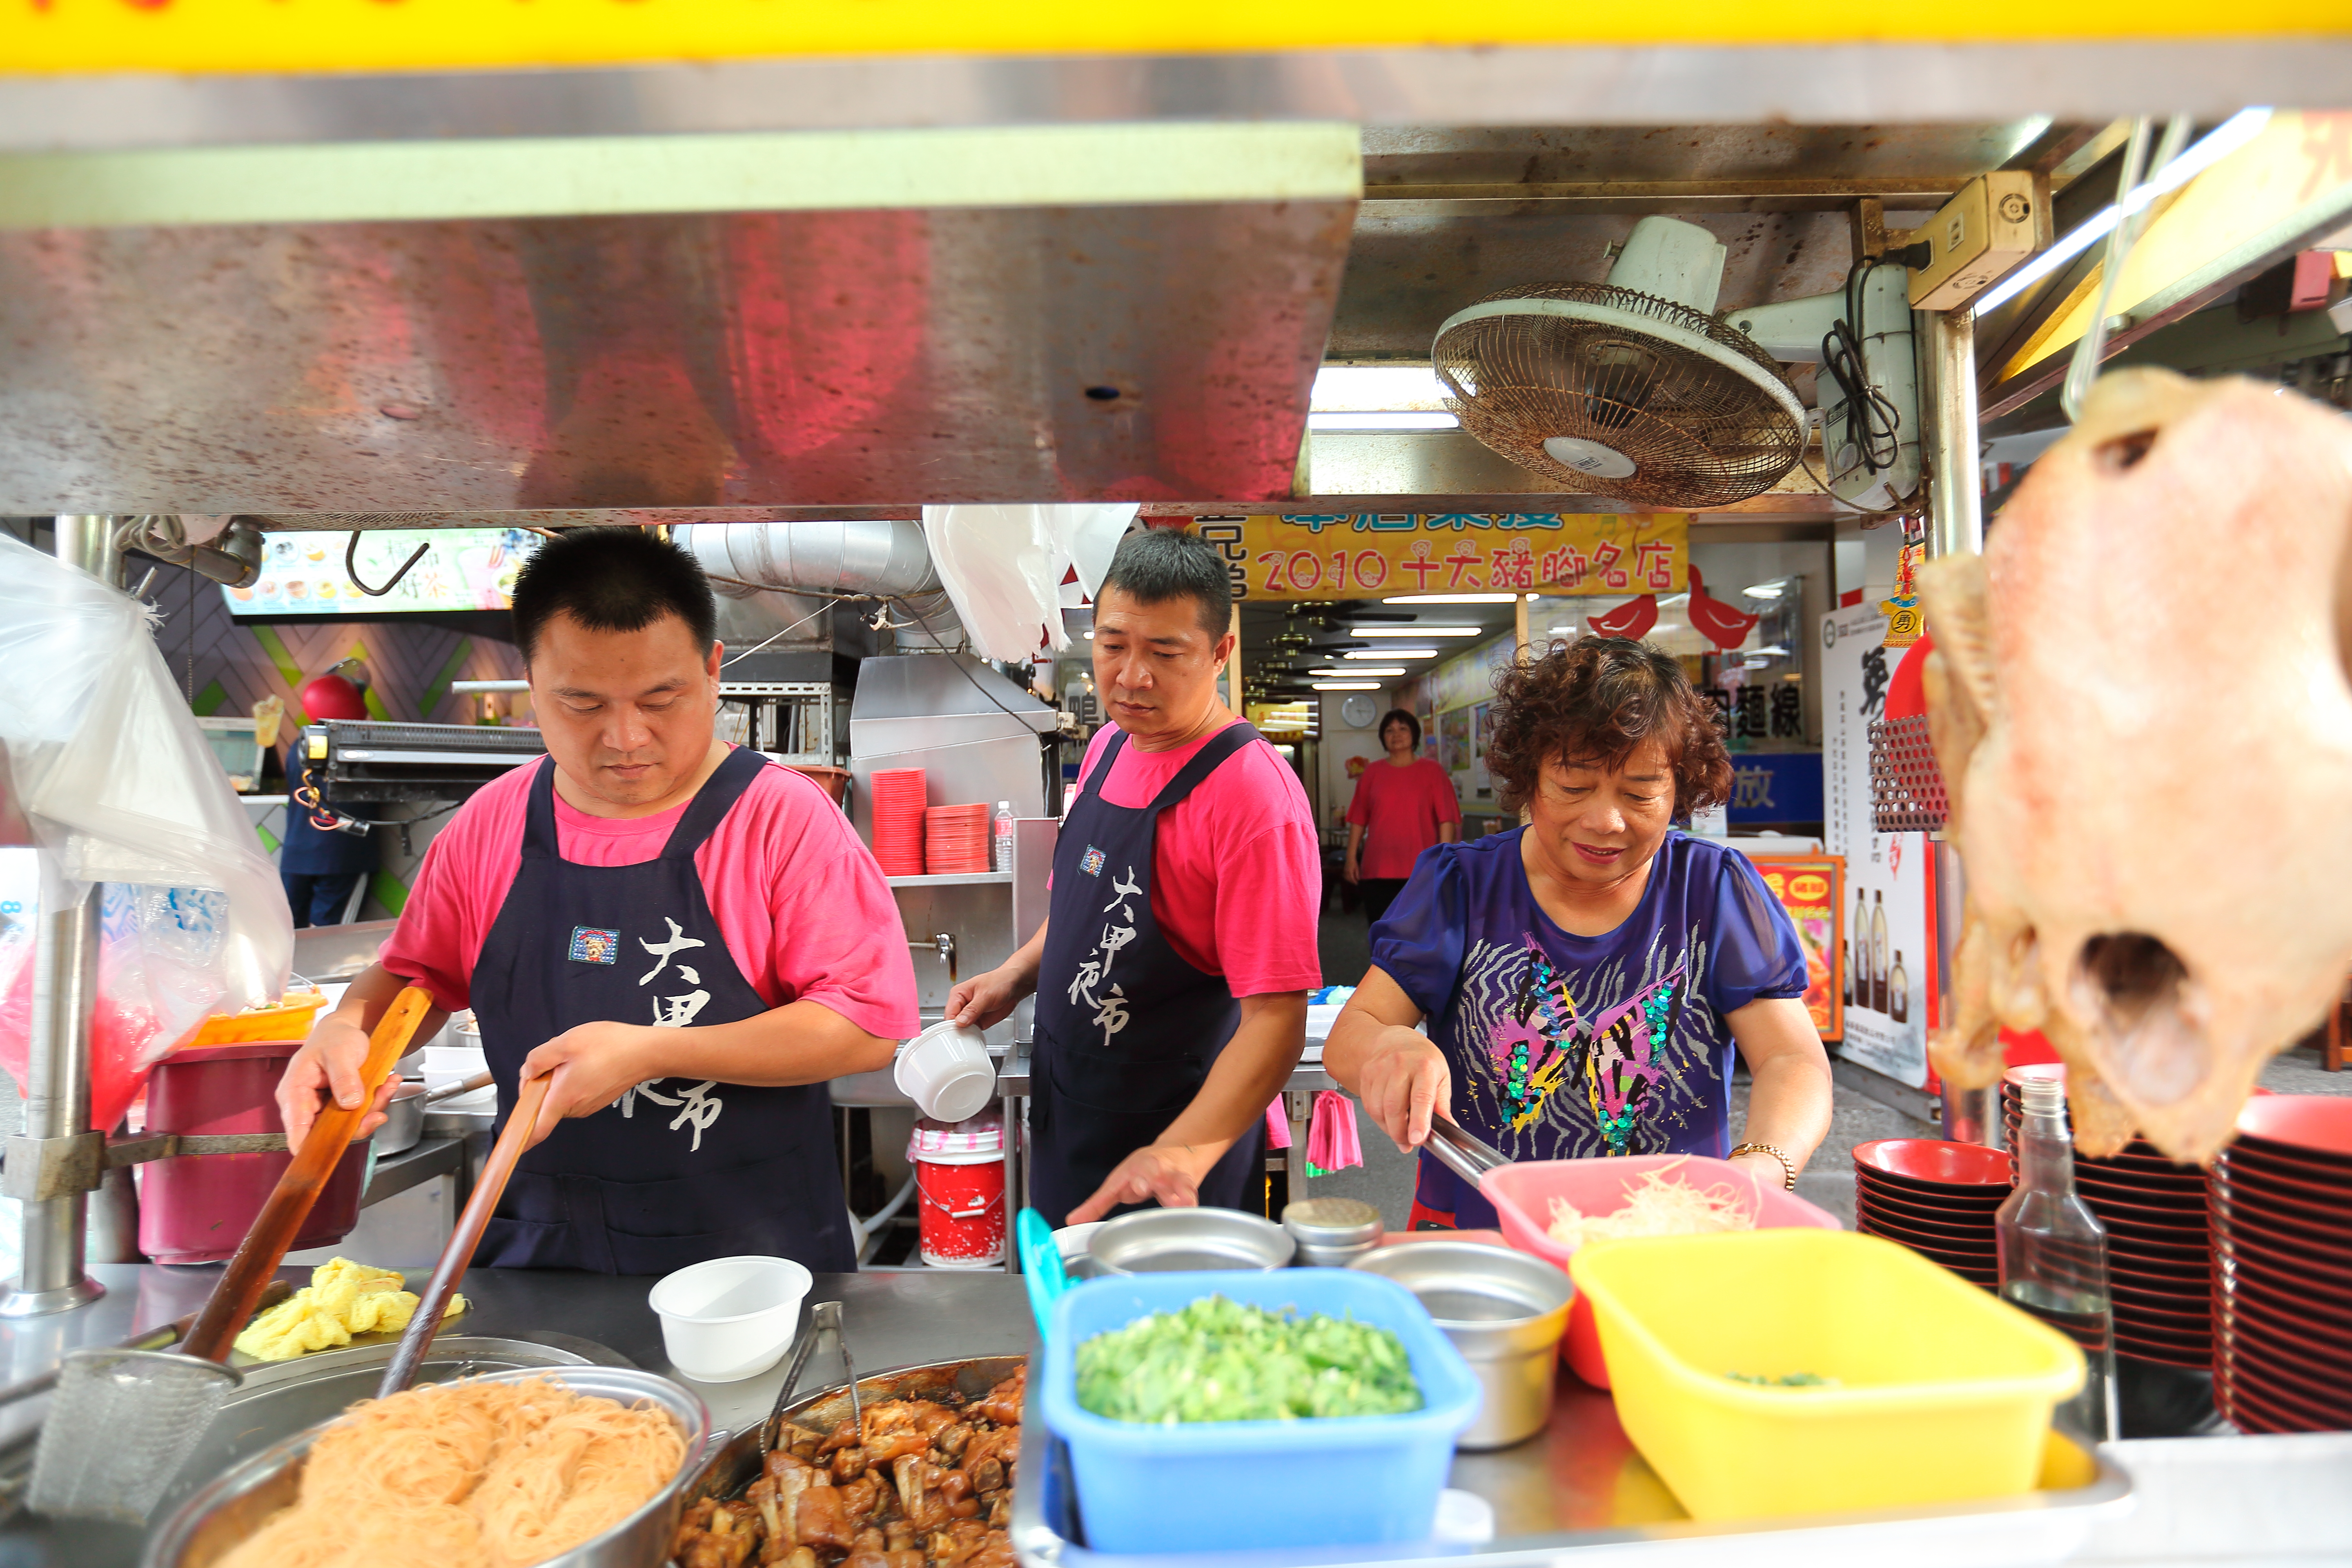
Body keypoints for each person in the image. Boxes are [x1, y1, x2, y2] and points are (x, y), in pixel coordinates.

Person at [275, 528, 917, 1273]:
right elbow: (416, 980)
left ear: (713, 672)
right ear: (532, 680)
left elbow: (864, 1027)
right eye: (581, 703)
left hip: (750, 1269)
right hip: (538, 1256)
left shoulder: (781, 818)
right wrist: (345, 1033)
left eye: (661, 698)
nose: (626, 737)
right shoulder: (493, 823)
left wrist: (652, 1052)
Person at [1323, 636, 1833, 1225]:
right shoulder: (1462, 885)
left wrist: (1763, 1165)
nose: (1606, 821)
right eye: (1573, 787)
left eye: (1641, 792)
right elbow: (1350, 1038)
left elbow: (1791, 1059)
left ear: (1680, 788)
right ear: (1529, 777)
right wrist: (1392, 1045)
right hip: (1482, 1230)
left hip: (1670, 1235)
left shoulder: (1711, 889)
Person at [947, 528, 1321, 1227]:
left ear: (1220, 654)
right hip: (1073, 1109)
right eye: (1114, 645)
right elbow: (1085, 915)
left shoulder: (1252, 796)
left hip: (1175, 1144)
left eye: (1165, 653)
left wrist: (1181, 1153)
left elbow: (1278, 1021)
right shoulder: (1111, 747)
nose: (1131, 676)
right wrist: (1017, 973)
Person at [278, 671, 379, 929]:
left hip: (297, 855)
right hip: (342, 857)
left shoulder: (299, 745)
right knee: (329, 937)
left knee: (288, 932)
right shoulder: (365, 748)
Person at [1342, 708, 1460, 925]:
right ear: (1383, 738)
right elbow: (1359, 819)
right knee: (1382, 937)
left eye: (1403, 729)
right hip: (1377, 870)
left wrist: (1443, 860)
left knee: (1420, 936)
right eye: (1390, 731)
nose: (1396, 735)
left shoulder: (1433, 771)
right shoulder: (1372, 773)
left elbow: (1447, 819)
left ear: (1415, 735)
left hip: (1422, 871)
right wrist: (1351, 858)